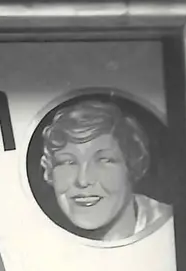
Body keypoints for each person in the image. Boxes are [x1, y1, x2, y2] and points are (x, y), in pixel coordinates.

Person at [38, 99, 174, 245]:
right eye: (67, 162)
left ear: (131, 167)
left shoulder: (171, 225)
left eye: (104, 160)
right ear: (50, 172)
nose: (83, 180)